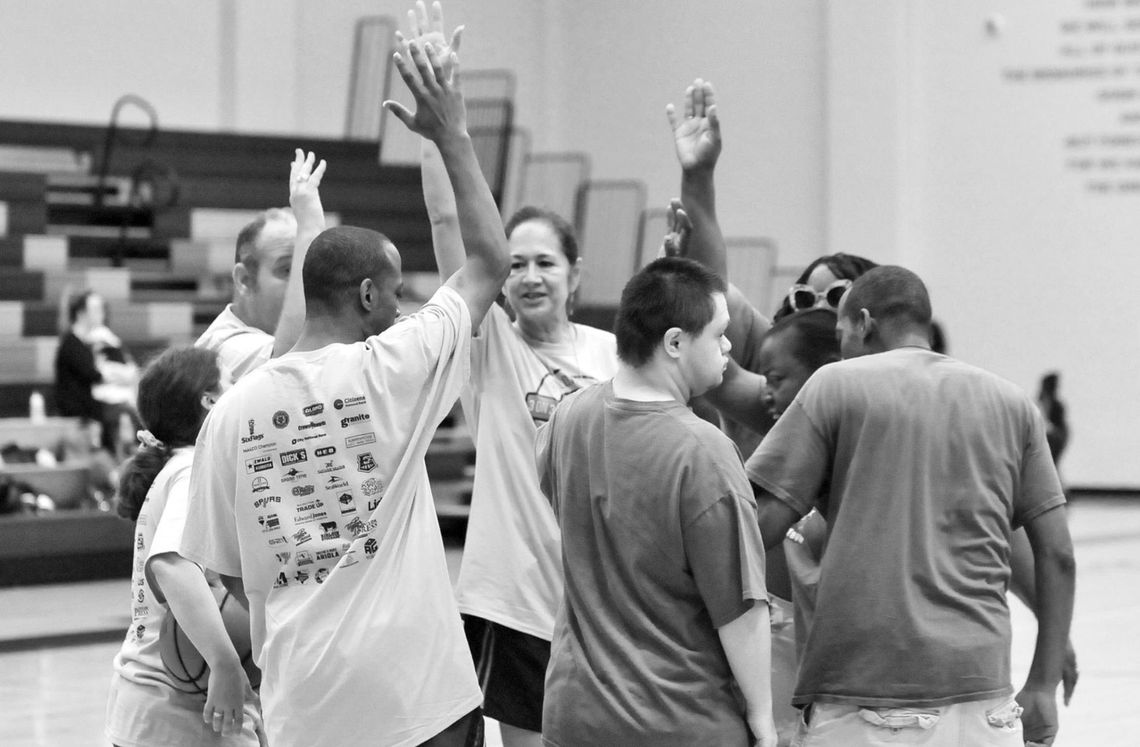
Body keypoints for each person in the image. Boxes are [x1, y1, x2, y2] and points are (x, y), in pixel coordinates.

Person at [179, 24, 510, 747]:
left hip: (306, 704)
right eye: (393, 292)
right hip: (420, 696)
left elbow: (227, 575)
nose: (401, 306)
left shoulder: (232, 411)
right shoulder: (398, 364)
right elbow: (489, 258)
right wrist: (451, 131)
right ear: (366, 295)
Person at [746, 266, 1076, 746]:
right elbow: (1058, 556)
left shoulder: (835, 385)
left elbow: (763, 525)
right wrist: (1043, 686)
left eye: (842, 335)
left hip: (866, 699)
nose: (841, 349)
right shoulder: (1013, 403)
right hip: (986, 702)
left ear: (863, 322)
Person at [408, 8, 619, 745]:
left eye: (544, 263)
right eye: (516, 263)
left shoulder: (613, 354)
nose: (527, 276)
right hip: (515, 605)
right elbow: (447, 229)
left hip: (608, 603)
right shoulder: (491, 346)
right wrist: (441, 137)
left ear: (575, 274)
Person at [536, 256, 777, 747]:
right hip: (677, 719)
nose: (728, 346)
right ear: (674, 342)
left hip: (574, 715)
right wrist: (764, 720)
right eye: (718, 334)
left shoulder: (566, 418)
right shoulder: (704, 452)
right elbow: (740, 611)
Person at [105, 345, 261, 747]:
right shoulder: (192, 467)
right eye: (232, 381)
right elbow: (171, 565)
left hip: (149, 708)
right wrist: (226, 665)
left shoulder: (179, 465)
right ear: (210, 400)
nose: (241, 389)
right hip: (181, 713)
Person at [194, 148, 326, 379]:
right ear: (245, 280)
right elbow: (291, 362)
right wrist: (311, 223)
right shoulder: (223, 349)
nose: (305, 283)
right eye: (289, 270)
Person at [54, 289, 138, 452]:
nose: (101, 314)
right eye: (96, 310)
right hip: (80, 409)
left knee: (127, 408)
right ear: (81, 314)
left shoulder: (93, 340)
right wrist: (121, 376)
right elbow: (94, 374)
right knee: (123, 412)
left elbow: (121, 367)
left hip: (92, 405)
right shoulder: (72, 344)